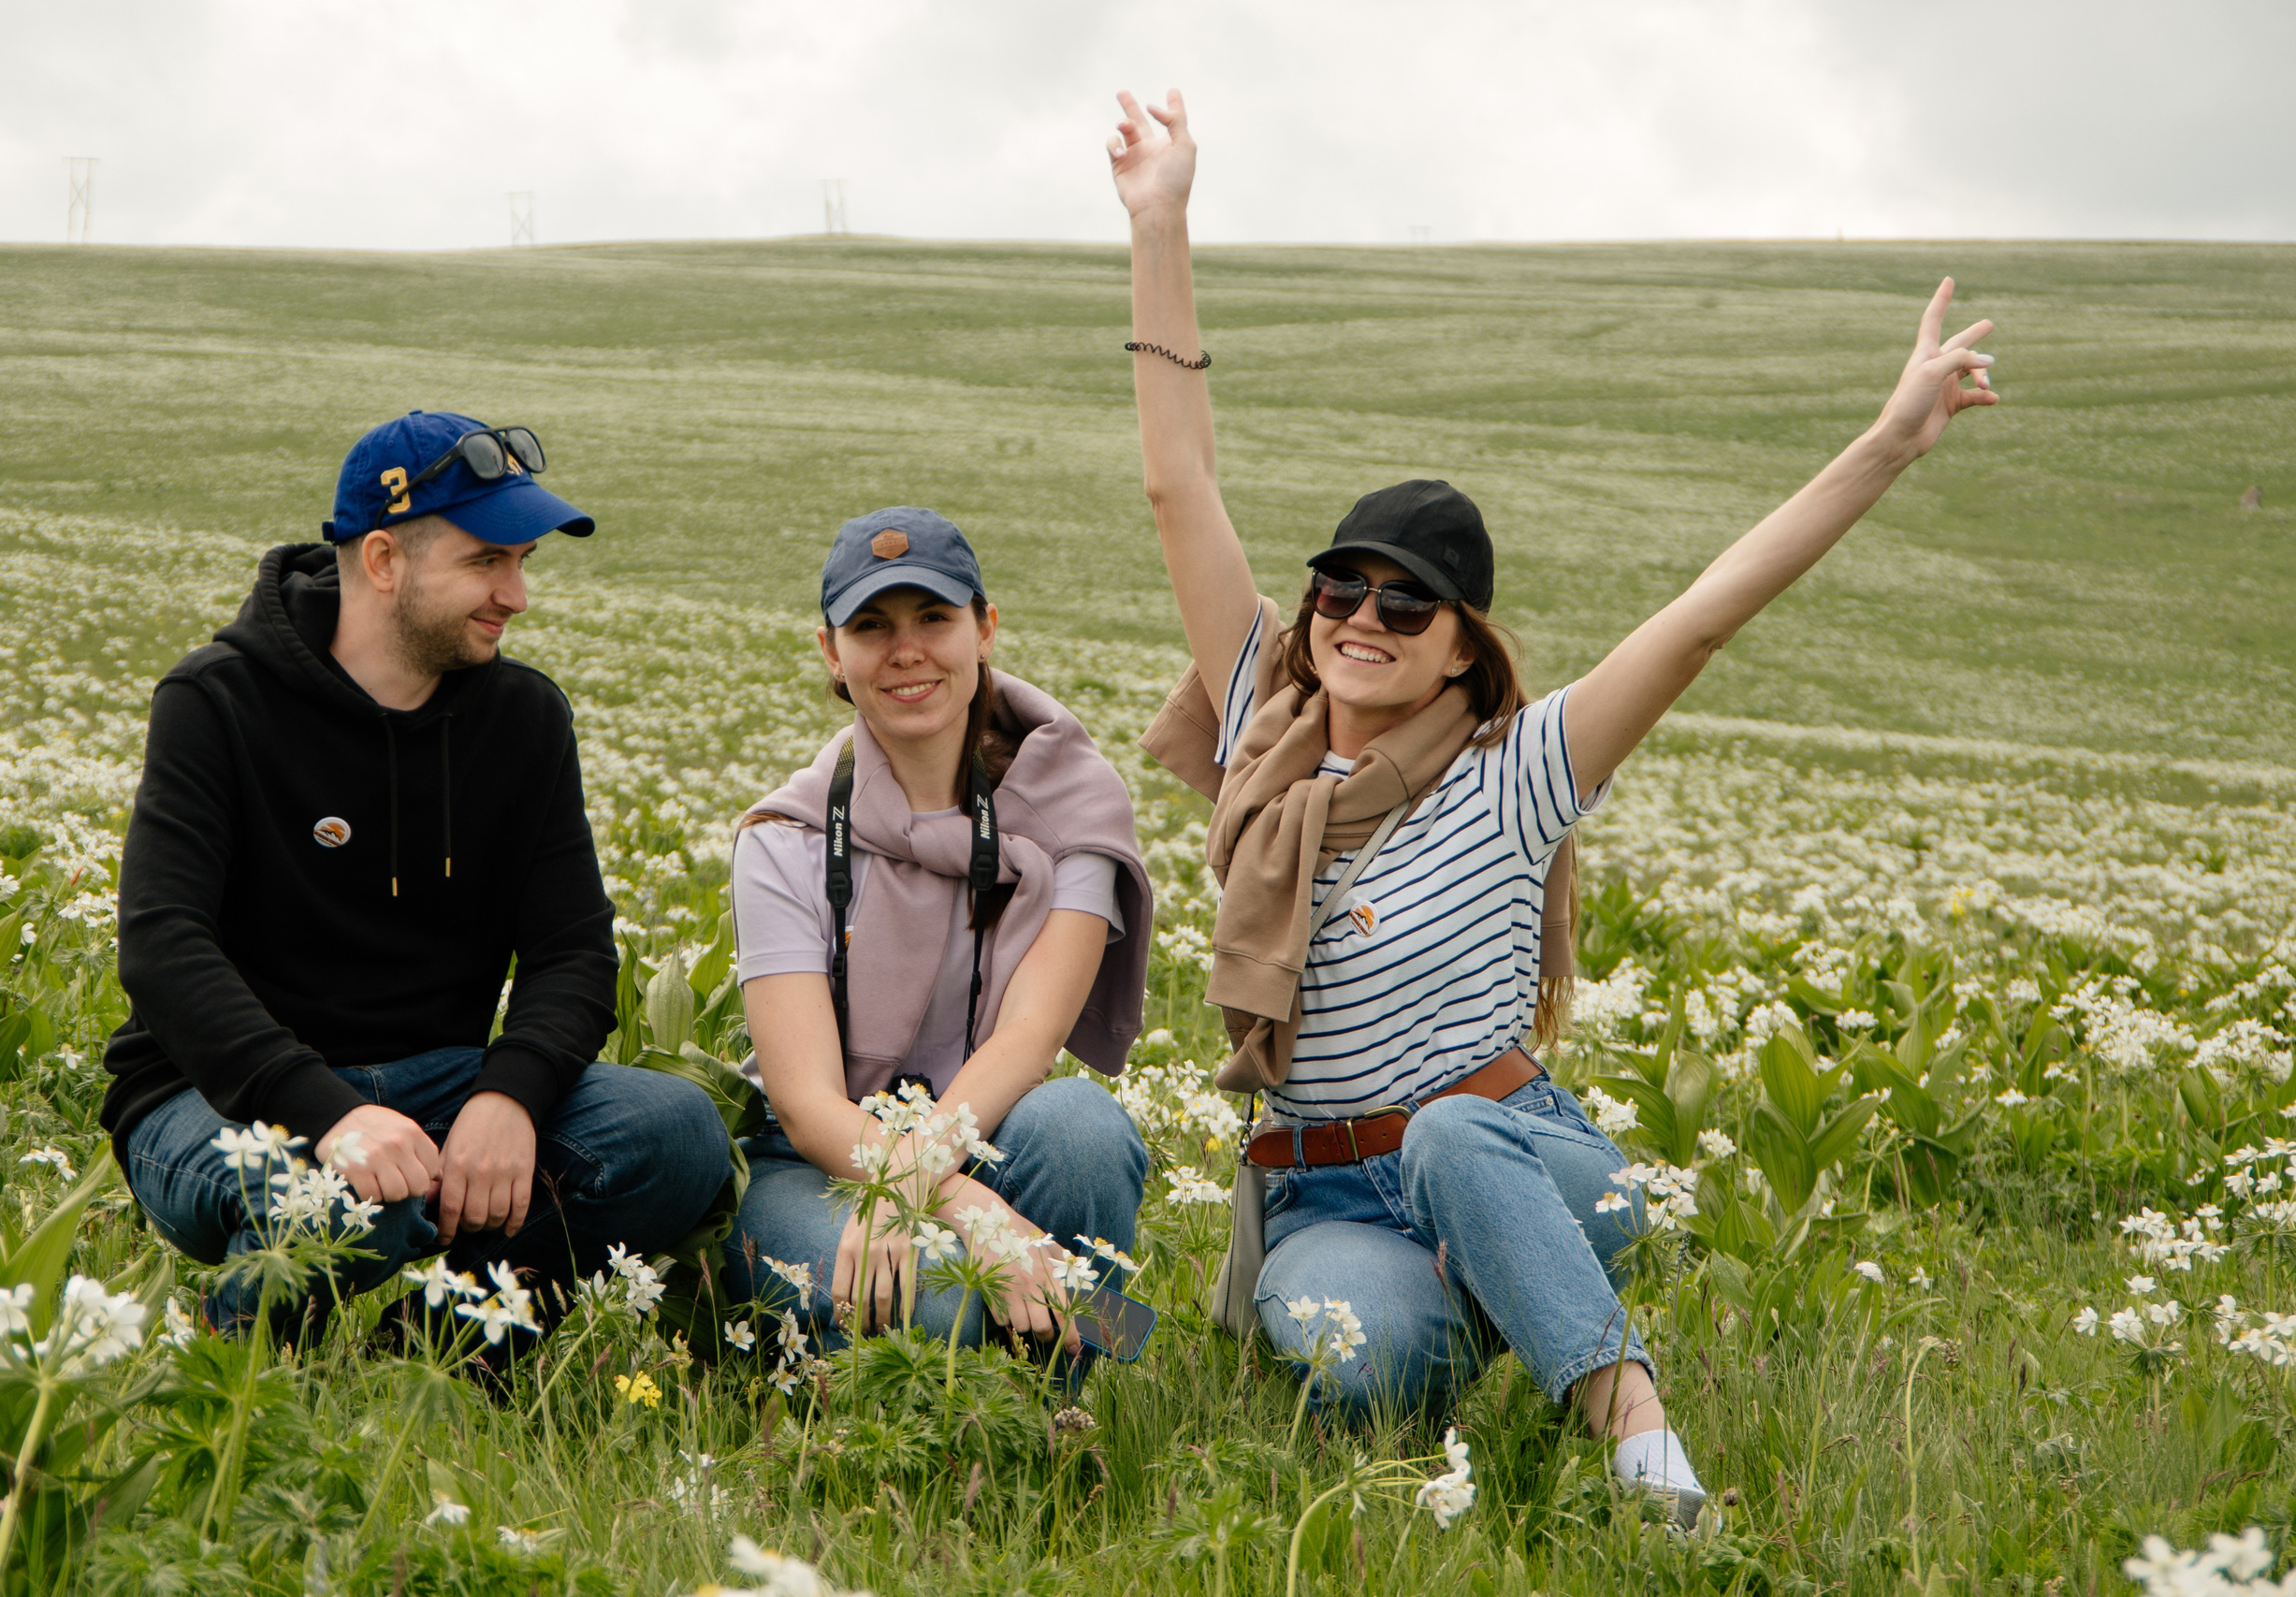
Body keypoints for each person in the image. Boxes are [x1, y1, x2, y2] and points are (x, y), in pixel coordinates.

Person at [1107, 91, 1997, 1523]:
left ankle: (1642, 1442)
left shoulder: (1518, 772)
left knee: (1455, 1142)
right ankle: (1492, 1304)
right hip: (1330, 1193)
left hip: (1522, 1145)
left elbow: (1707, 615)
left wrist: (1889, 442)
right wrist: (1162, 222)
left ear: (1465, 645)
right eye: (1345, 585)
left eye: (1411, 601)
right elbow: (1176, 481)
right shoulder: (1258, 729)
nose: (1364, 616)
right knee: (1367, 1368)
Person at [103, 410, 733, 1357]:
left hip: (440, 1081)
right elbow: (163, 946)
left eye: (523, 563)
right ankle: (234, 1371)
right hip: (215, 1101)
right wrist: (330, 1114)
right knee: (351, 1197)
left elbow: (573, 952)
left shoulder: (523, 718)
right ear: (386, 560)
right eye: (488, 561)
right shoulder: (216, 700)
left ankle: (431, 1358)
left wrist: (508, 1098)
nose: (516, 595)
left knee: (679, 1133)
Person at [725, 507, 1155, 1357]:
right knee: (938, 1314)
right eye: (871, 626)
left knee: (1084, 1127)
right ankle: (1048, 1342)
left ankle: (1061, 1418)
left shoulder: (1074, 808)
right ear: (830, 653)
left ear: (985, 628)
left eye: (934, 618)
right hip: (820, 1165)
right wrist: (957, 1204)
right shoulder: (785, 836)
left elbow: (1032, 1038)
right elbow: (808, 1104)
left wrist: (923, 1183)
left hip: (992, 1126)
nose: (906, 650)